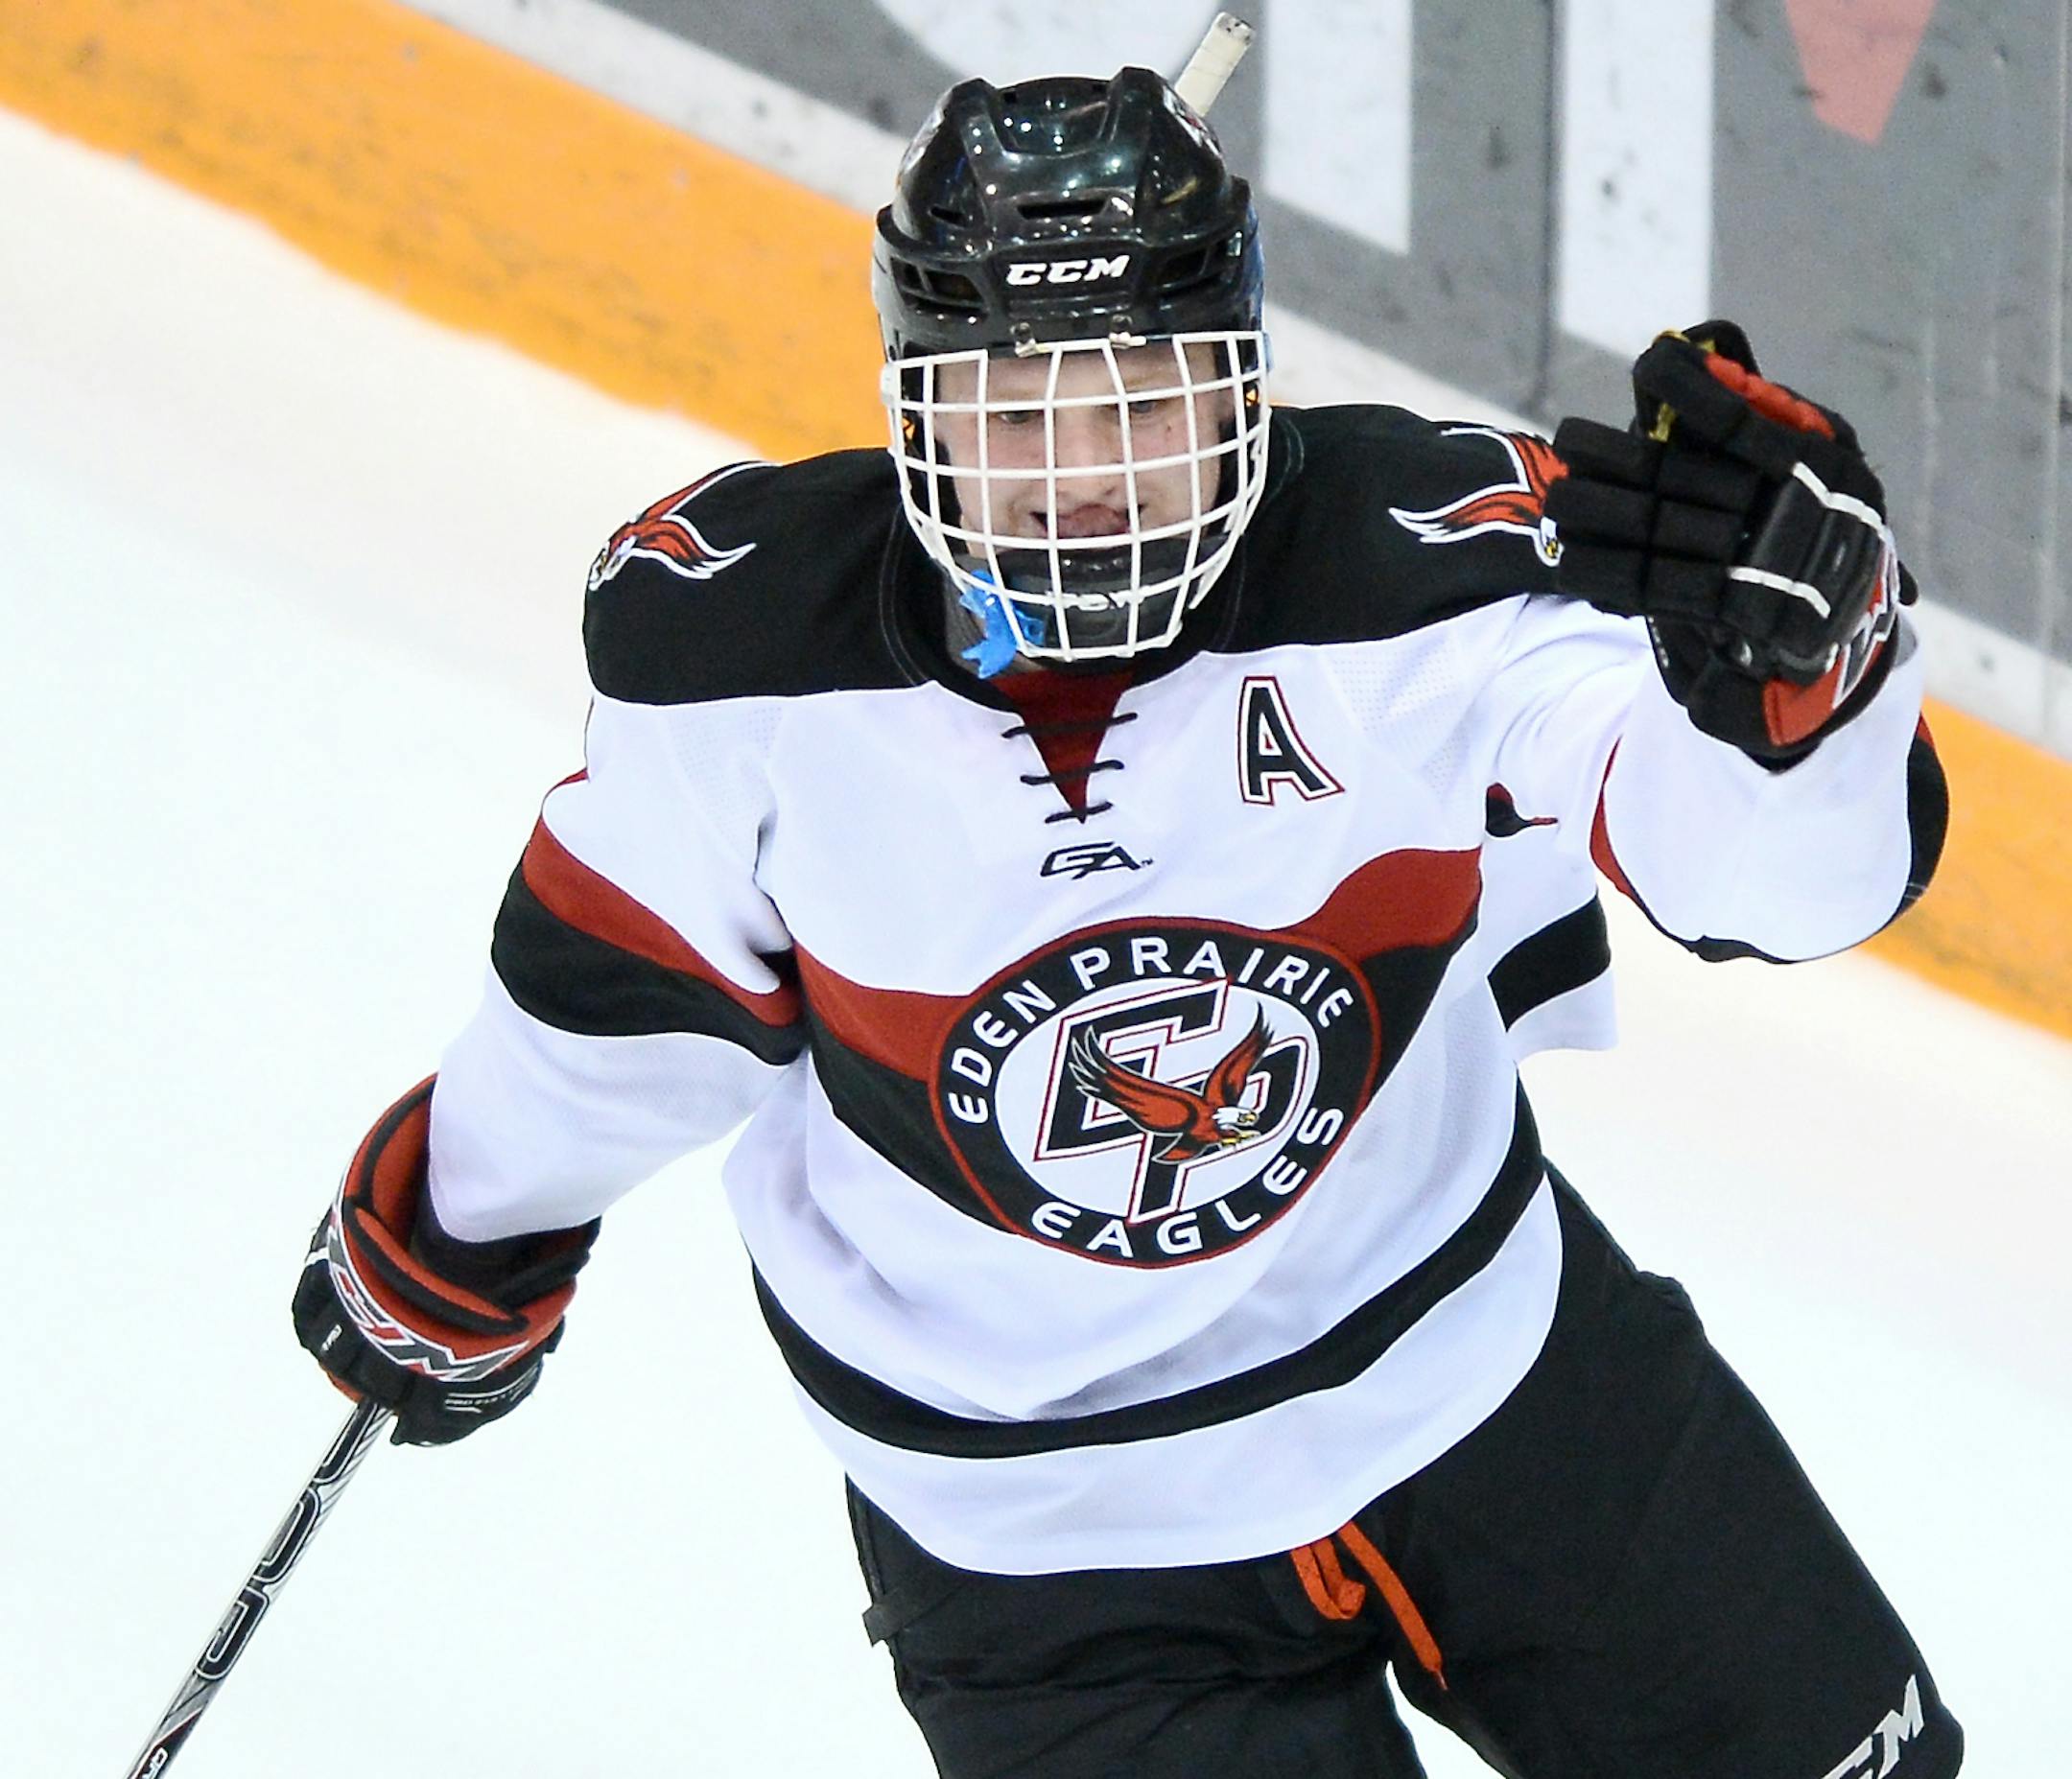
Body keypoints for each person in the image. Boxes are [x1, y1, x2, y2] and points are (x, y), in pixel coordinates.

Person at [292, 59, 1962, 1779]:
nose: (1083, 481)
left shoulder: (1423, 568)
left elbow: (1764, 883)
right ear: (913, 410)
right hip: (1045, 1549)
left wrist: (1813, 684)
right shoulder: (750, 666)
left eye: (1140, 407)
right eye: (1021, 419)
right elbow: (612, 1021)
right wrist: (468, 1224)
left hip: (1494, 1379)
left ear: (1244, 378)